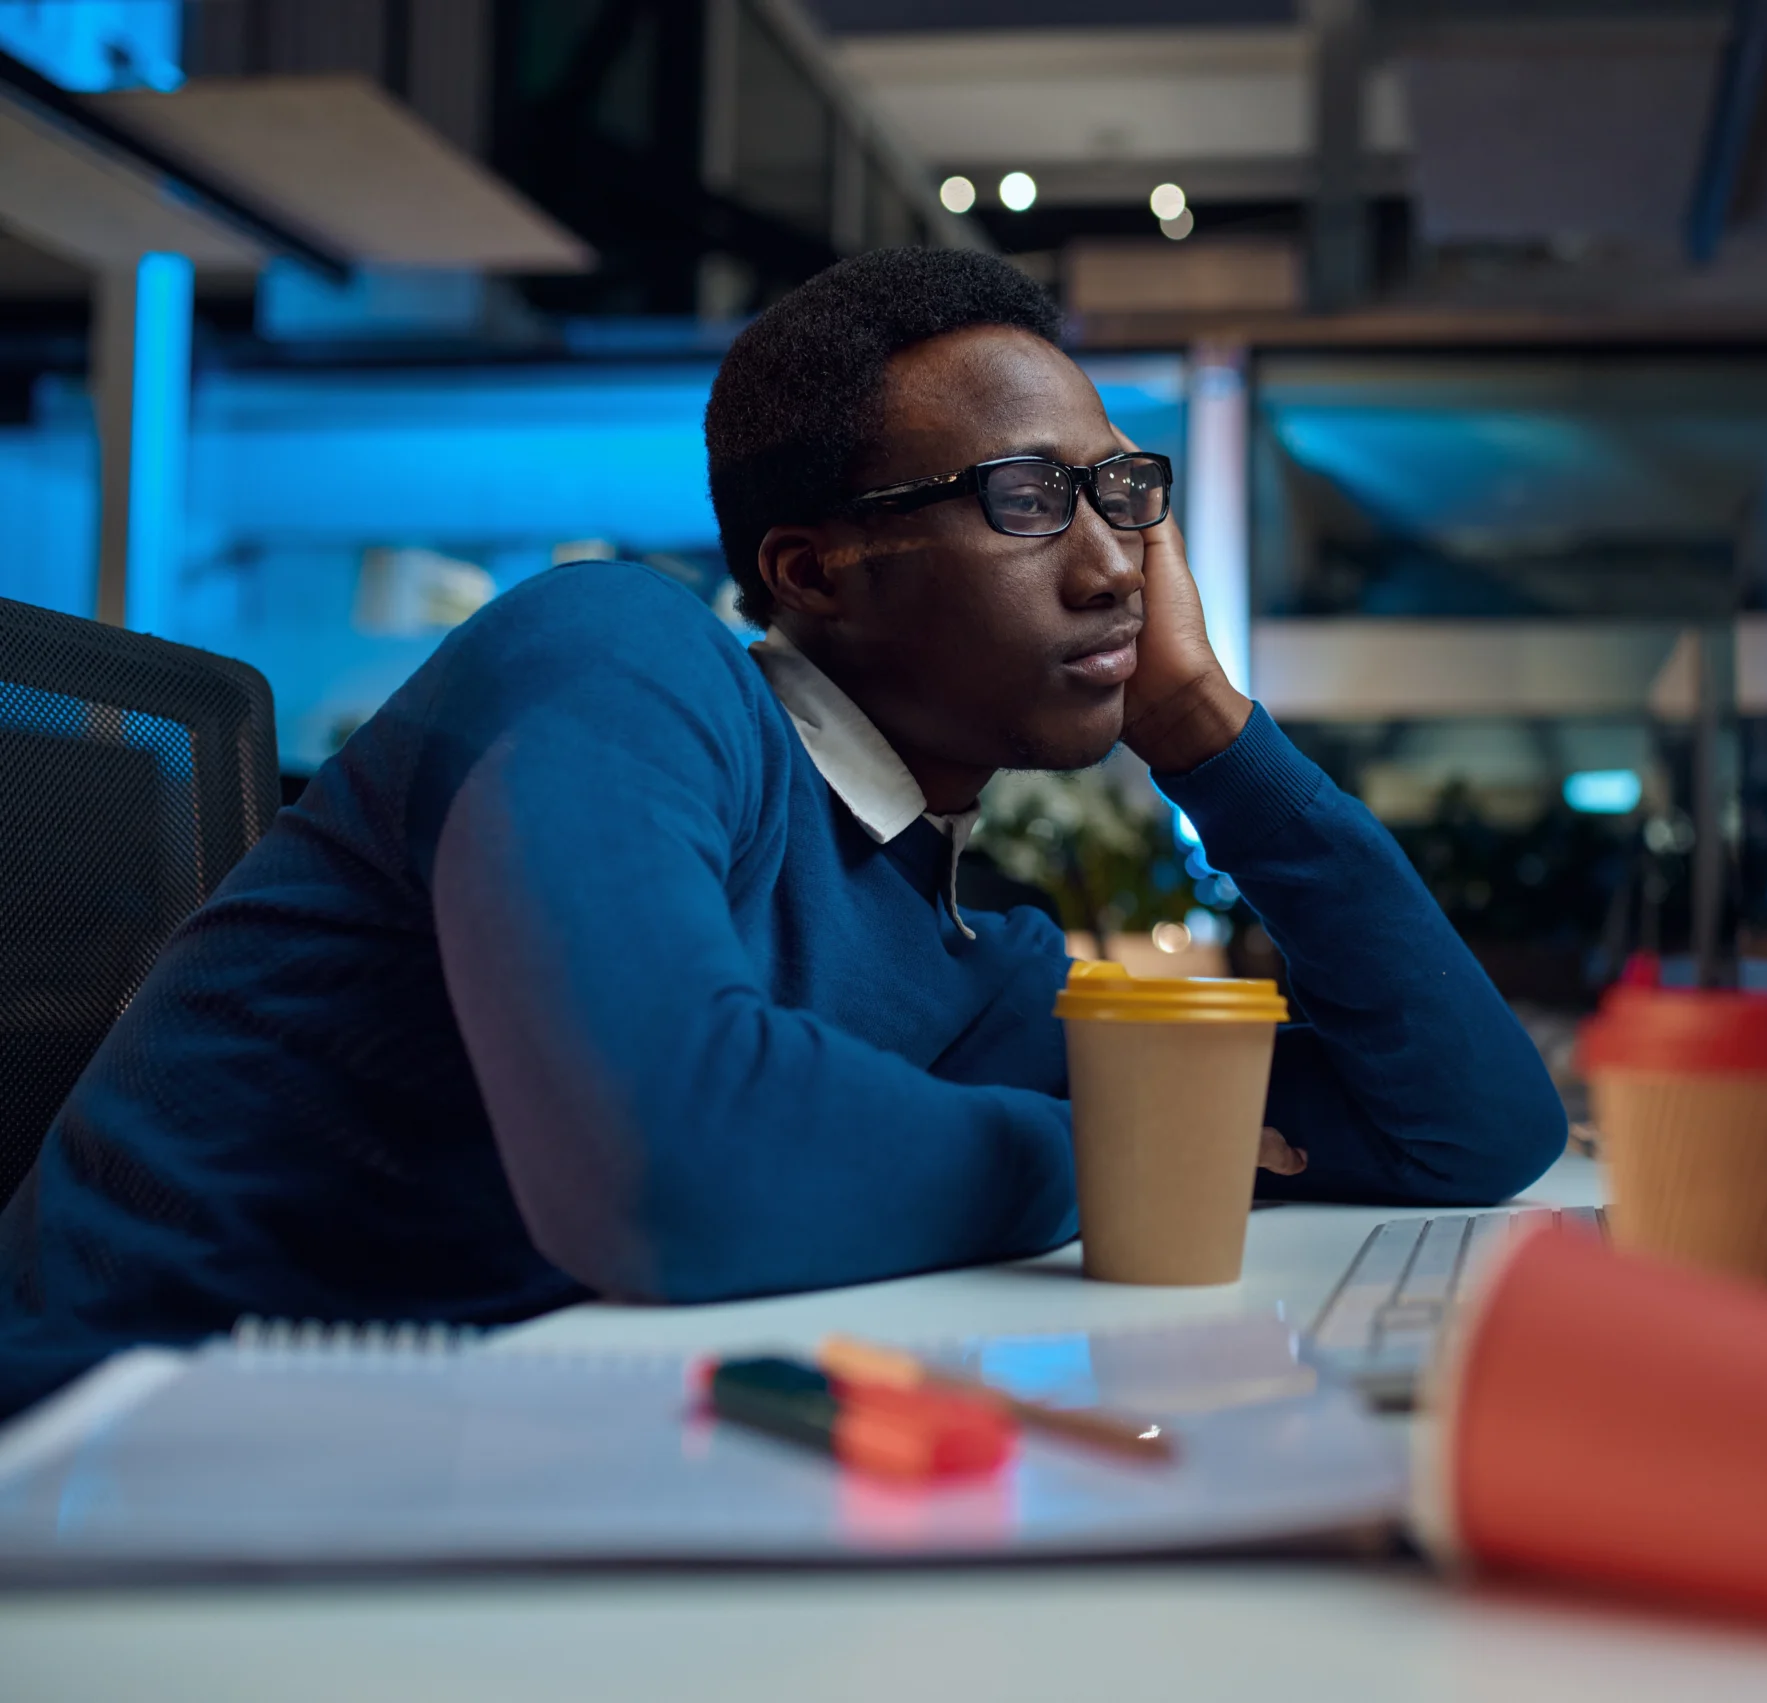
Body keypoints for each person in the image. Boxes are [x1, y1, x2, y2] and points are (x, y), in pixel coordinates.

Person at [0, 248, 1566, 1420]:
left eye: (1121, 491)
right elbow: (666, 1169)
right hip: (109, 1470)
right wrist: (1107, 1157)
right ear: (814, 571)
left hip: (475, 1468)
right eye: (1027, 498)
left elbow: (1467, 1133)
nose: (1113, 566)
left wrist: (1208, 731)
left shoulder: (969, 958)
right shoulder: (617, 656)